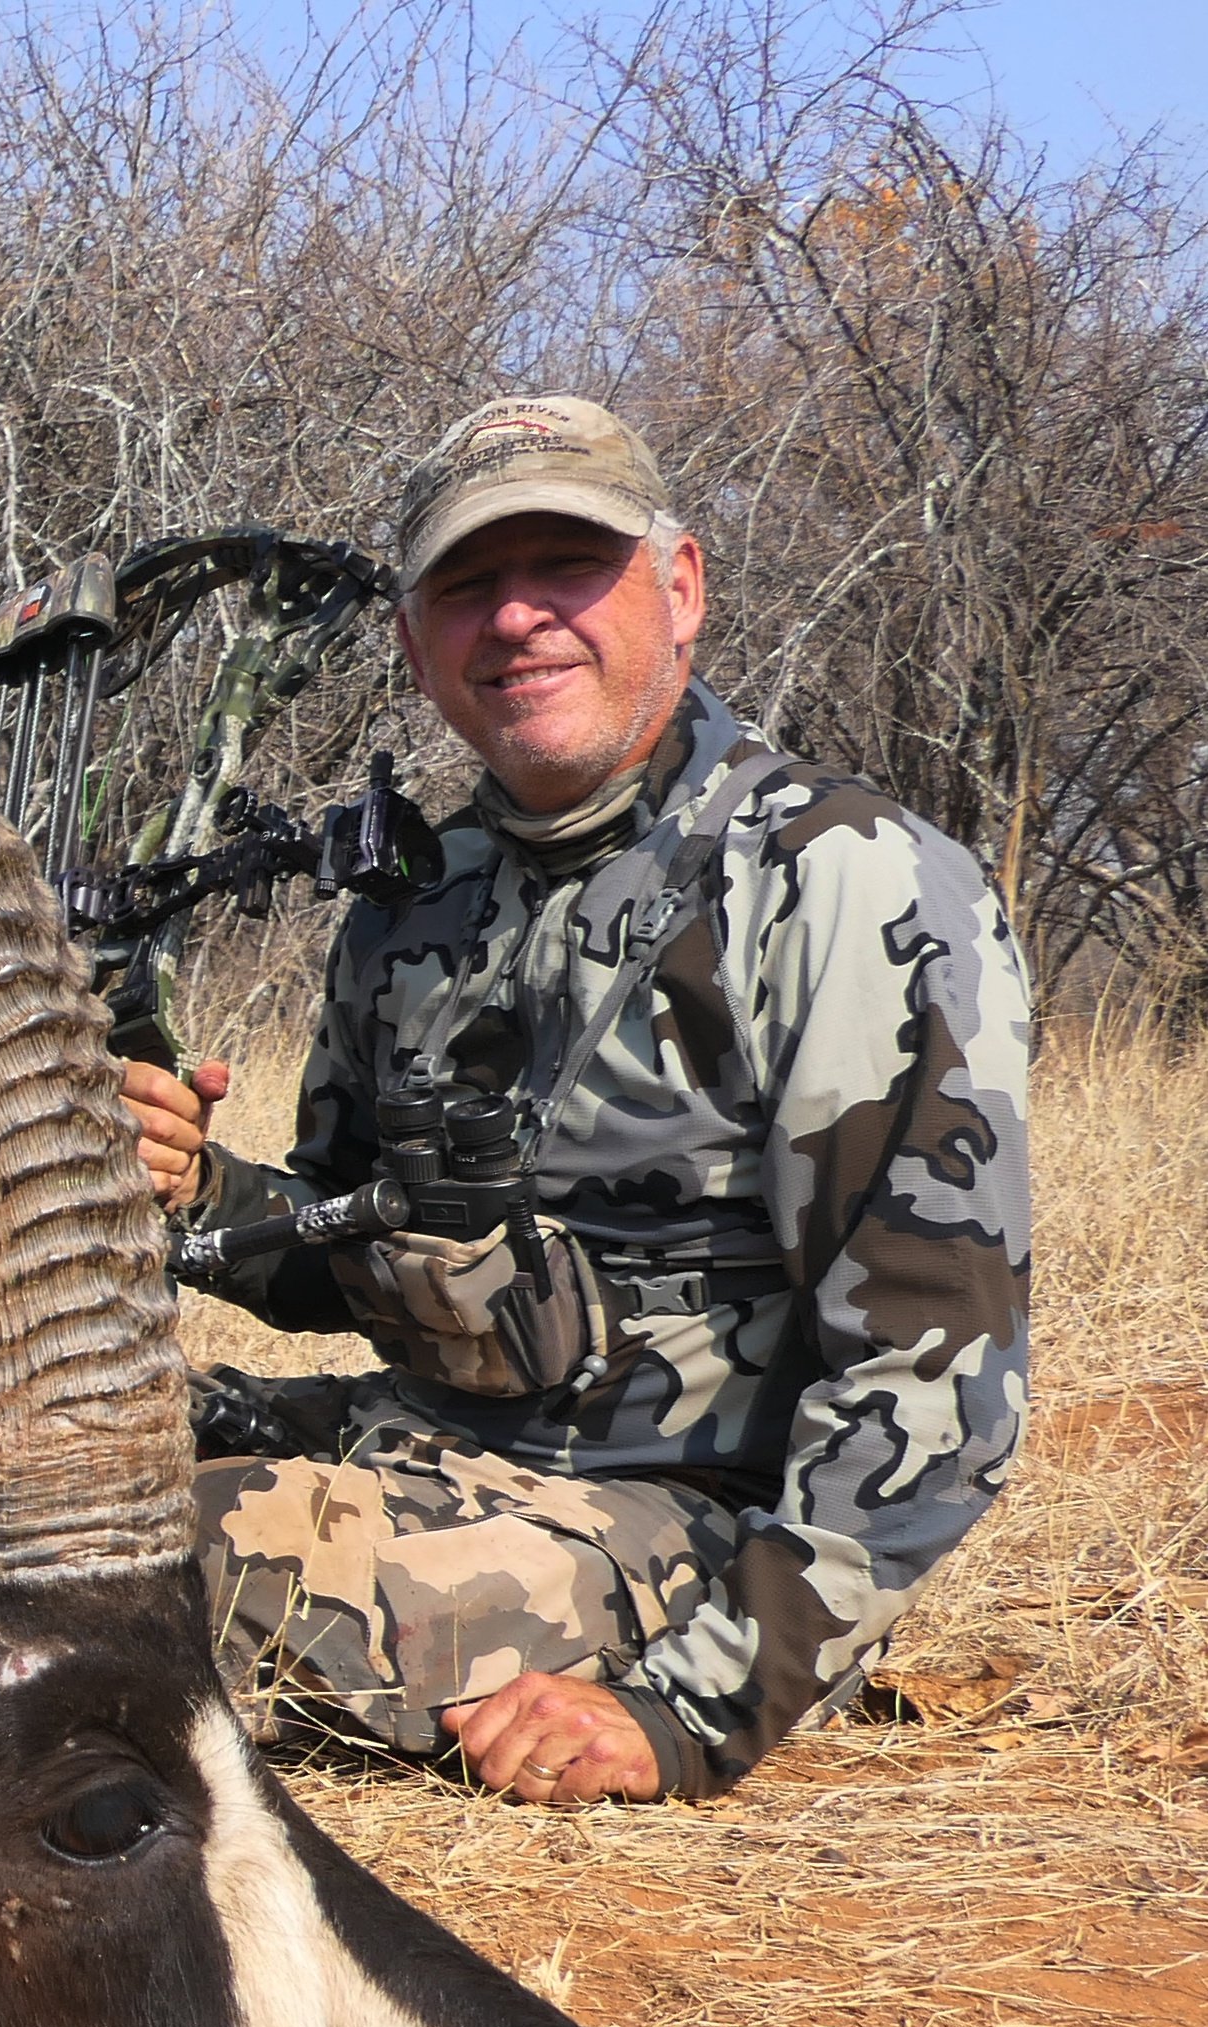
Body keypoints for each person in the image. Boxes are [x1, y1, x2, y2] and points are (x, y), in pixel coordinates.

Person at [128, 396, 1032, 1802]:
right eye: (468, 585)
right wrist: (198, 1190)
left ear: (678, 591)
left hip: (689, 1526)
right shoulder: (412, 901)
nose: (517, 620)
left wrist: (683, 1712)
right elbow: (350, 1257)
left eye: (567, 567)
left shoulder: (844, 880)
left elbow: (931, 1376)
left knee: (132, 1563)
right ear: (413, 644)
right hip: (421, 1448)